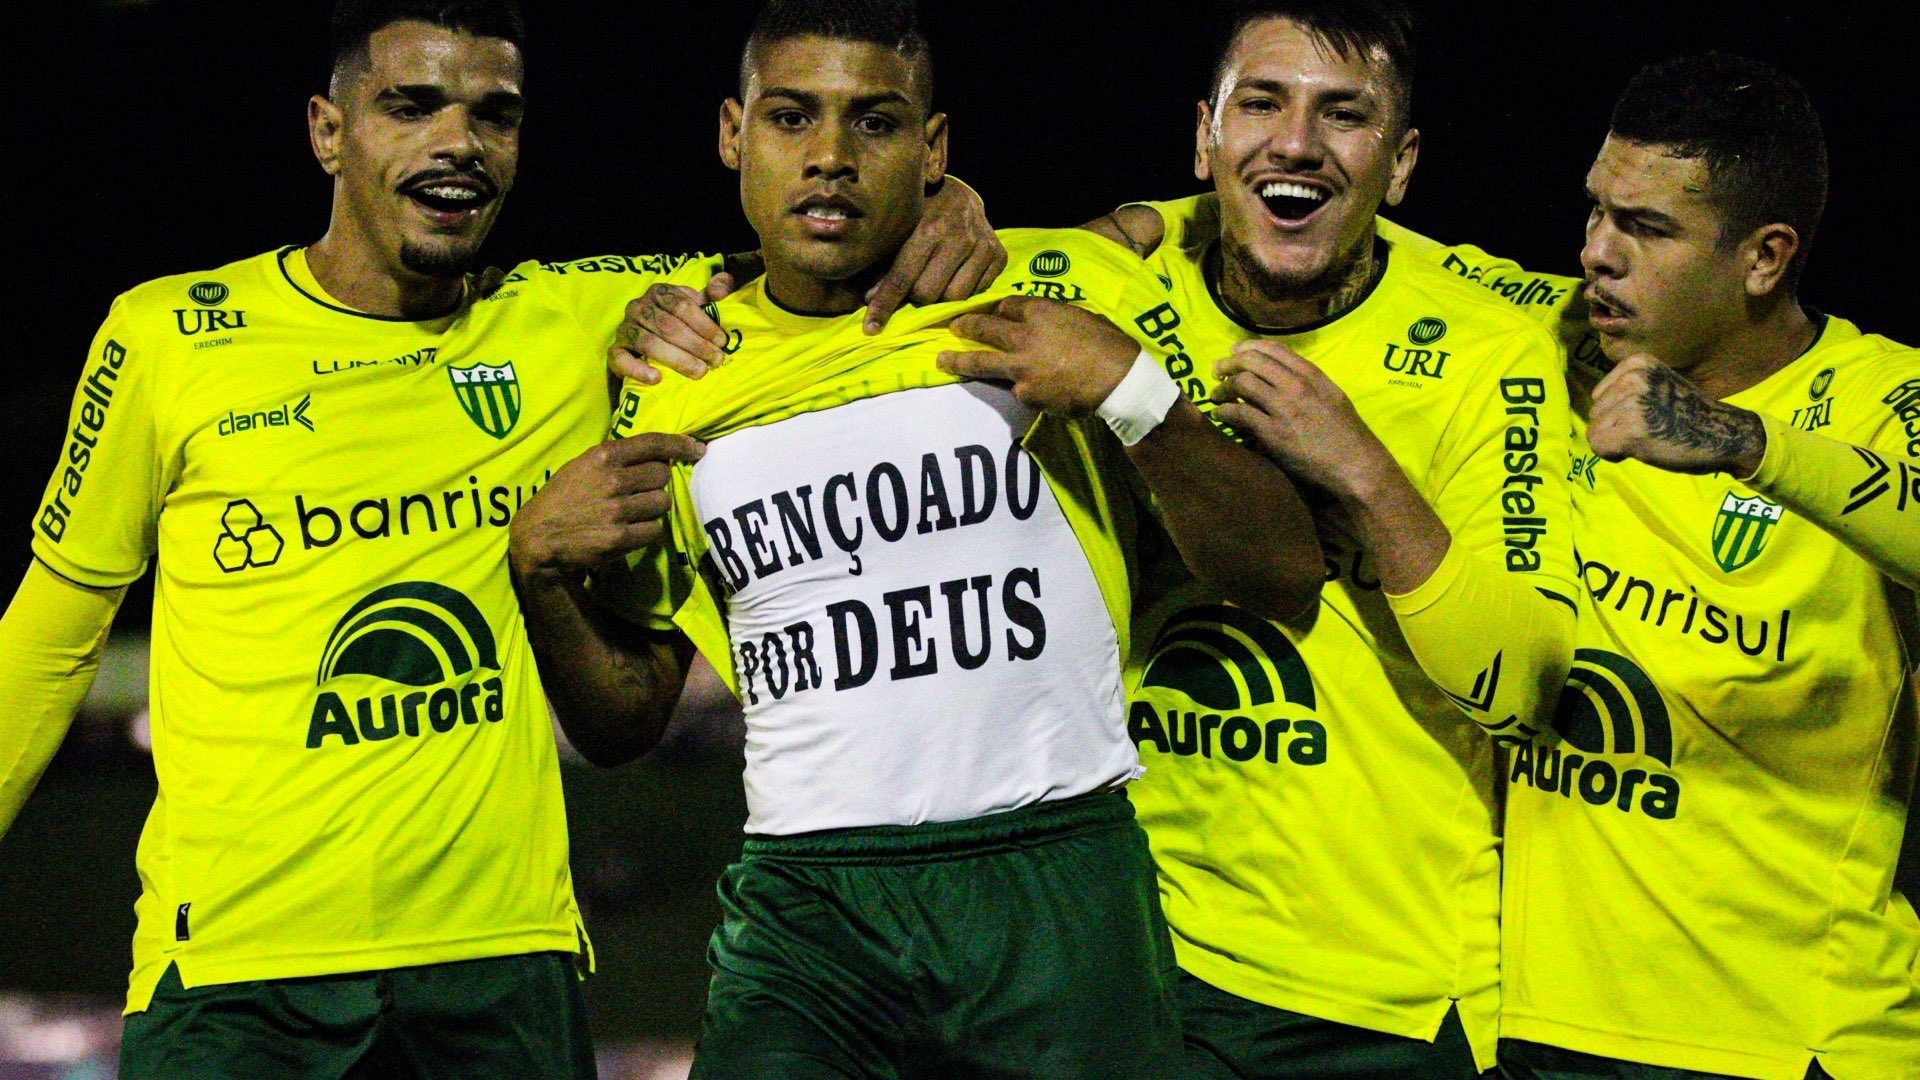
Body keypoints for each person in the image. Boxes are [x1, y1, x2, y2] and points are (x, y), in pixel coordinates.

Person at [0, 0, 996, 1073]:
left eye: (496, 115)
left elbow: (825, 253)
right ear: (328, 130)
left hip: (503, 969)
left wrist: (949, 207)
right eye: (412, 106)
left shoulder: (587, 318)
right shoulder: (166, 335)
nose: (458, 144)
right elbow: (51, 637)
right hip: (239, 978)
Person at [506, 1, 1323, 1075]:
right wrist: (541, 574)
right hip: (805, 914)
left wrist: (1133, 394)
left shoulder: (1053, 288)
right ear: (731, 135)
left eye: (877, 124)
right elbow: (623, 723)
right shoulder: (675, 372)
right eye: (792, 119)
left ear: (934, 148)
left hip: (1053, 889)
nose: (832, 159)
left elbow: (1286, 575)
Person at [1384, 52, 1919, 1080]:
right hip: (1546, 1027)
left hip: (1783, 1041)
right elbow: (1366, 235)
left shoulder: (1878, 397)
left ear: (1765, 258)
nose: (1596, 253)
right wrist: (1132, 225)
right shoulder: (1544, 335)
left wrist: (1746, 443)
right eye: (1595, 211)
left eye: (1649, 229)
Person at [1079, 3, 1576, 1074]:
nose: (1296, 142)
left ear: (1398, 168)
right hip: (1141, 952)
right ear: (1205, 134)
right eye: (1263, 103)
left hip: (1384, 999)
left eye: (1343, 116)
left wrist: (1359, 468)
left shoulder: (1492, 353)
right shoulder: (1117, 290)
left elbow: (1521, 685)